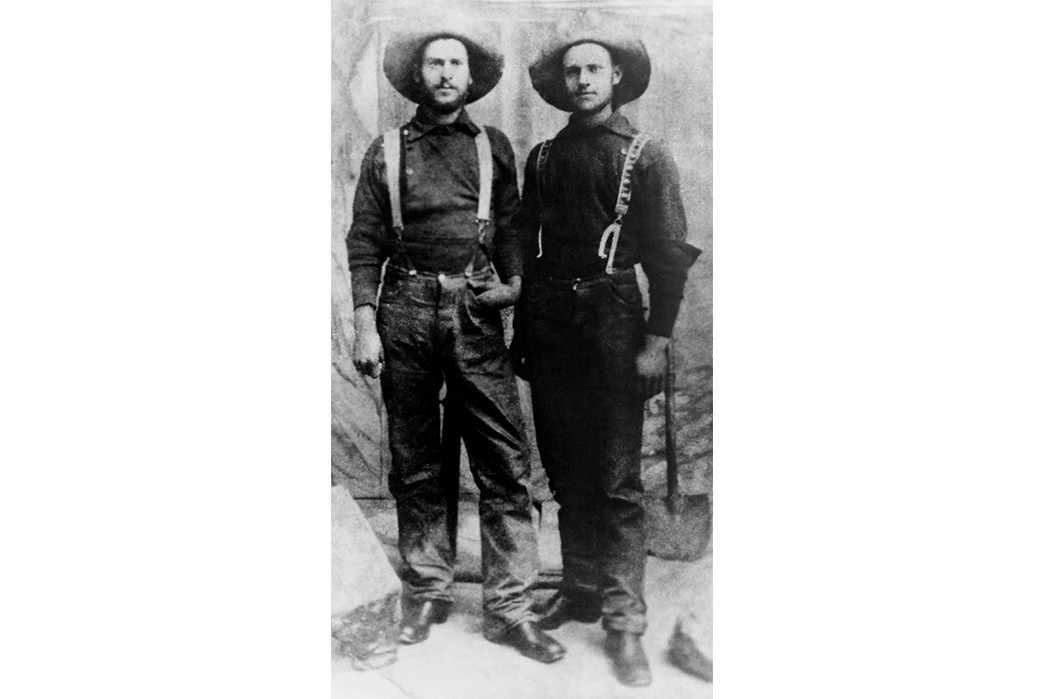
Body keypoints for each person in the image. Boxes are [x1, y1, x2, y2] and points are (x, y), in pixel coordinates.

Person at [346, 20, 565, 664]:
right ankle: (428, 590)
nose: (445, 73)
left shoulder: (492, 146)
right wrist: (365, 324)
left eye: (455, 64)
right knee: (416, 462)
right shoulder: (386, 151)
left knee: (503, 463)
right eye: (434, 63)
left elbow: (512, 227)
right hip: (404, 309)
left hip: (474, 310)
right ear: (419, 77)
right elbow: (364, 242)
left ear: (471, 79)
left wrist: (514, 285)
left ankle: (510, 608)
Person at [510, 13, 701, 686]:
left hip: (615, 321)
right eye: (572, 71)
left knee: (617, 480)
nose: (583, 80)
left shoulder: (646, 154)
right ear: (560, 84)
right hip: (549, 322)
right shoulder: (543, 158)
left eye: (594, 69)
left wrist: (656, 340)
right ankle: (582, 588)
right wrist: (524, 332)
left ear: (615, 77)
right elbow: (526, 248)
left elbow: (669, 256)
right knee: (565, 471)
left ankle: (624, 623)